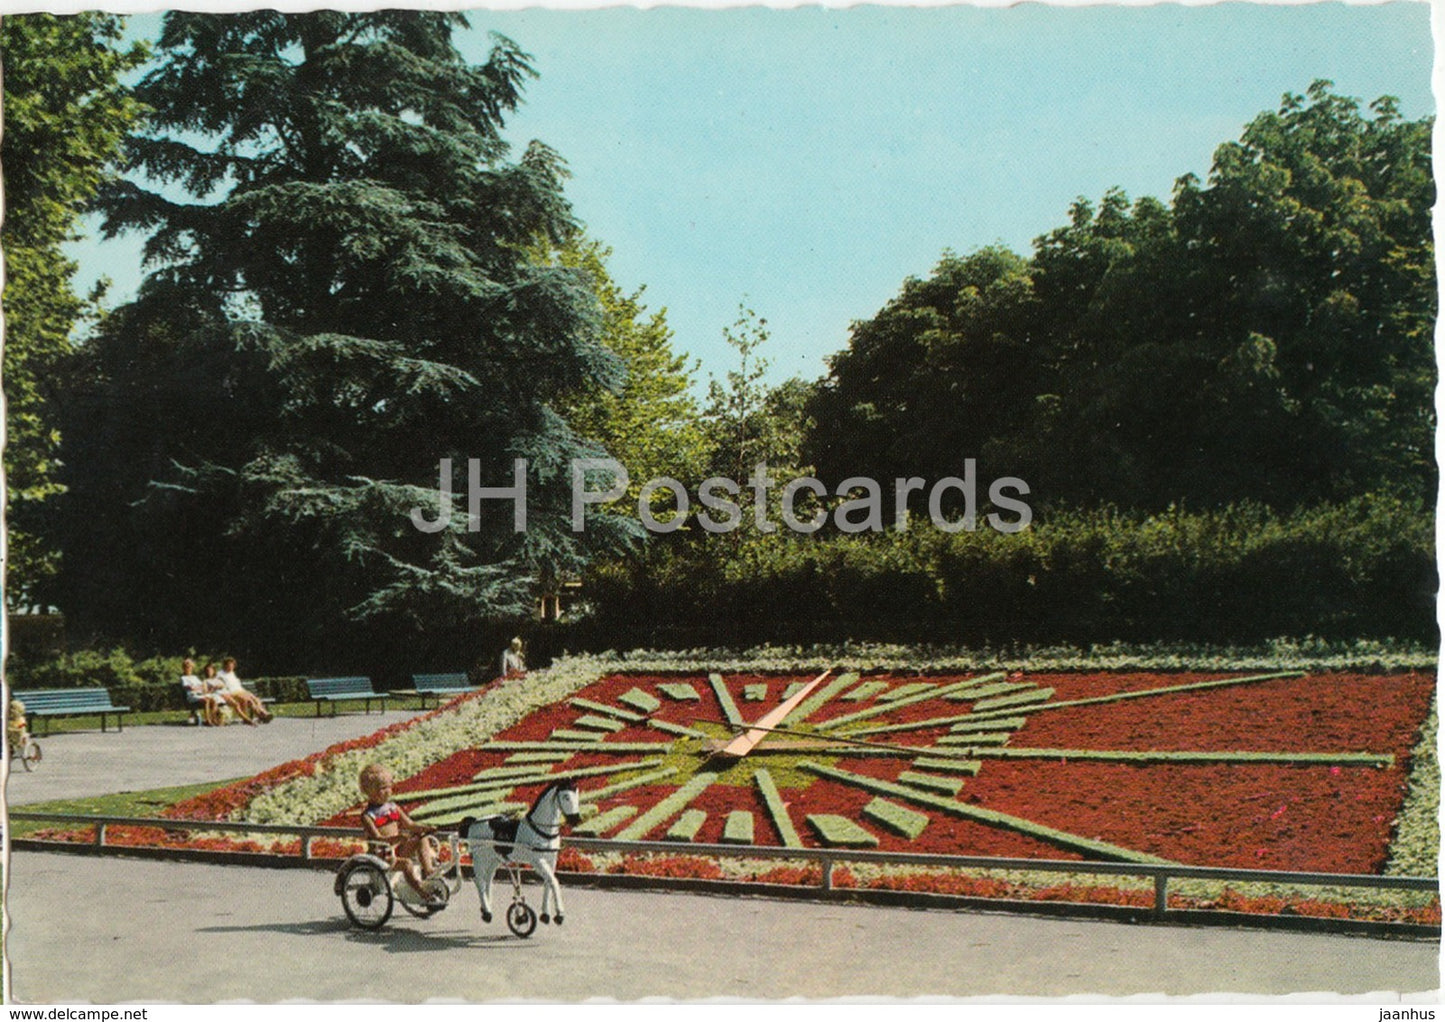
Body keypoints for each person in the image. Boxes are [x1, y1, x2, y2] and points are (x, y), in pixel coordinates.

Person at [358, 763, 440, 903]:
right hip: (382, 854)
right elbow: (377, 838)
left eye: (389, 787)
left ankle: (428, 870)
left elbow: (410, 825)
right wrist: (398, 838)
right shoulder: (368, 815)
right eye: (382, 788)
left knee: (421, 839)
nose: (388, 791)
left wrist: (425, 828)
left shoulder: (393, 808)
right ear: (370, 791)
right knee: (407, 864)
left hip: (397, 848)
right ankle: (421, 892)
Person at [215, 657, 272, 723]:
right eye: (230, 665)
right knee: (248, 700)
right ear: (225, 665)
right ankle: (261, 715)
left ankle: (262, 713)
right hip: (232, 692)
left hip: (240, 690)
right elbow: (221, 686)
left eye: (233, 665)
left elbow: (237, 685)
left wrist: (243, 691)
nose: (231, 667)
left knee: (256, 699)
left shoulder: (232, 673)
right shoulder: (220, 674)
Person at [180, 658, 224, 726]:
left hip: (200, 694)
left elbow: (202, 685)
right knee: (206, 700)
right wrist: (197, 687)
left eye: (190, 667)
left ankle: (213, 718)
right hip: (192, 696)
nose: (189, 669)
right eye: (187, 667)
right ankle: (208, 720)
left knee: (213, 701)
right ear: (184, 668)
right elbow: (189, 687)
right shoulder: (183, 678)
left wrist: (199, 687)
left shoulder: (194, 677)